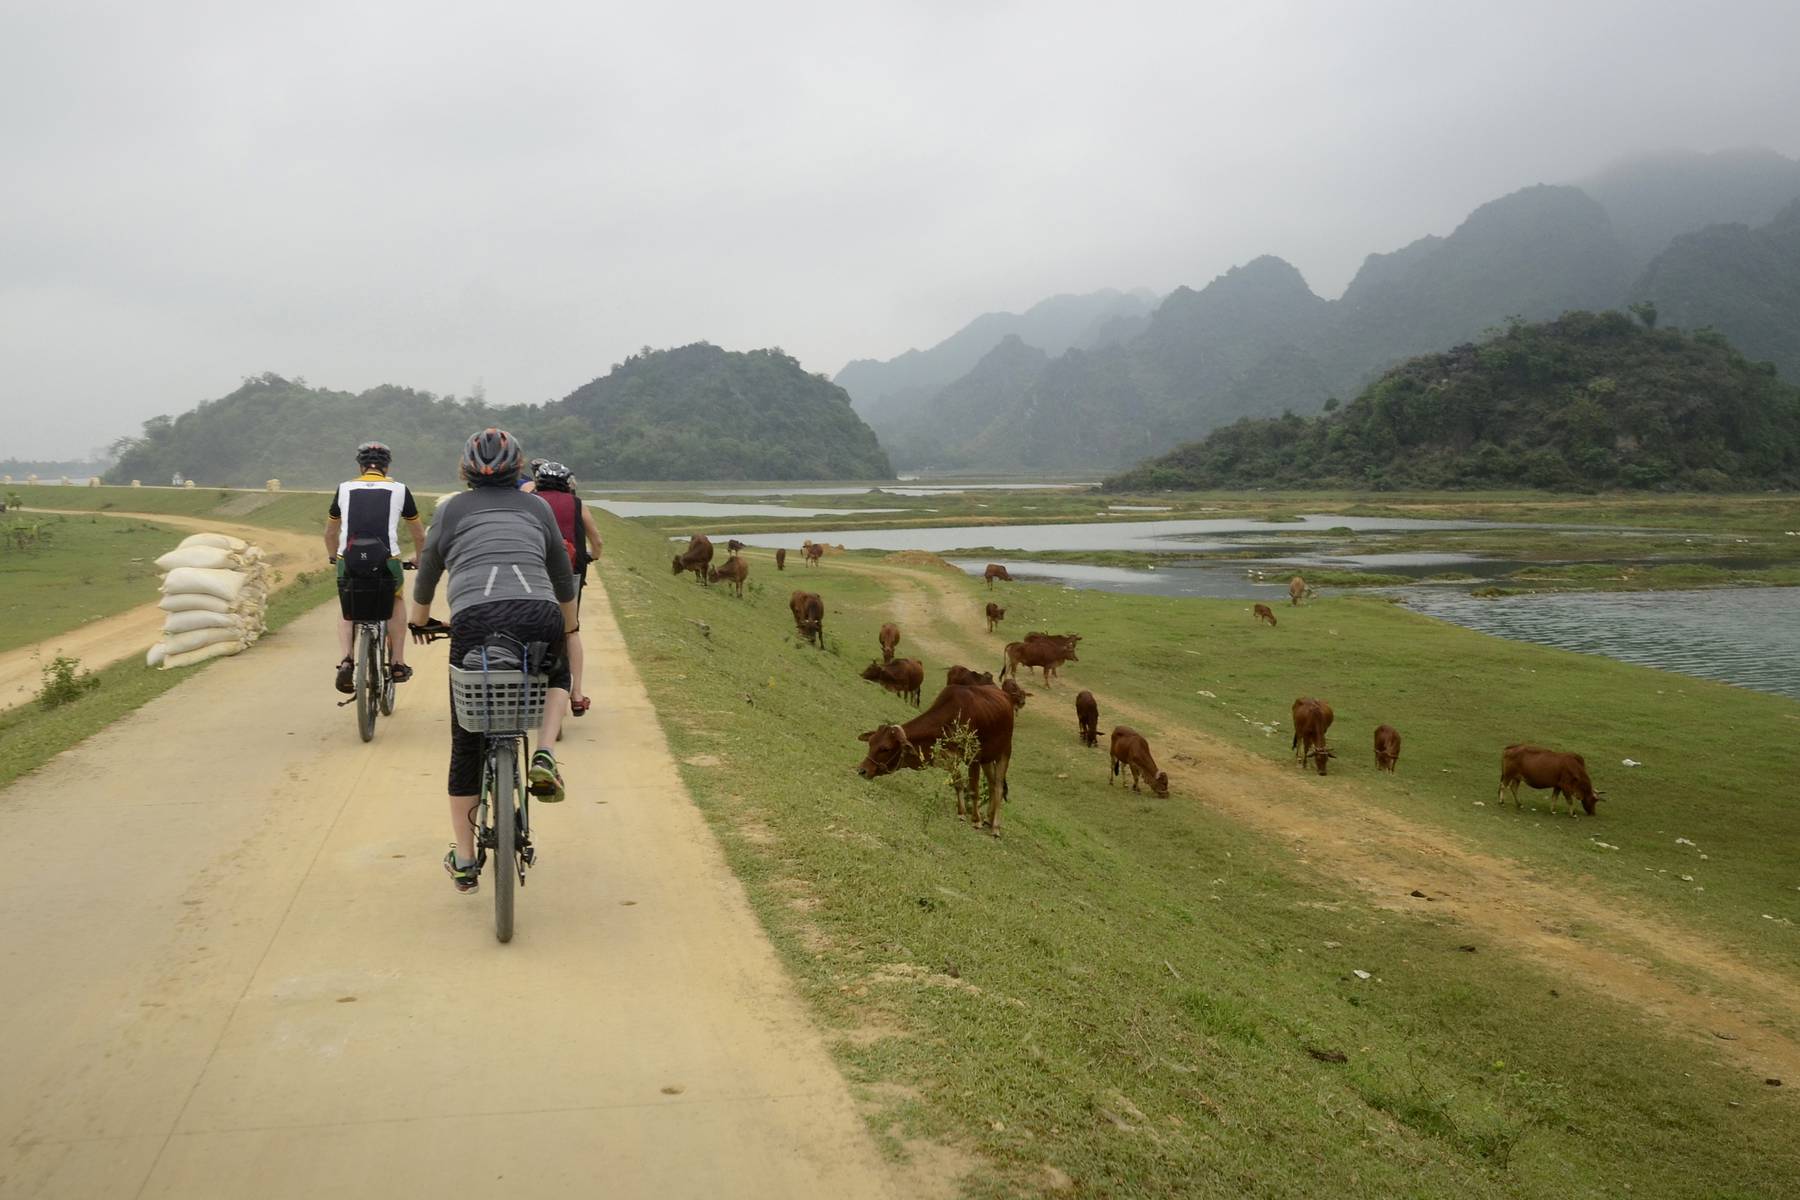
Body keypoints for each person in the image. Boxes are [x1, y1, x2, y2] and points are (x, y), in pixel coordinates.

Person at [410, 428, 578, 894]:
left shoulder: (450, 510)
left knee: (467, 740)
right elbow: (561, 576)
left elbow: (428, 569)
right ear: (517, 467)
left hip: (474, 619)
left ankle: (464, 860)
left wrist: (419, 620)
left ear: (466, 469)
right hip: (539, 610)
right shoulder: (539, 507)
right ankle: (544, 749)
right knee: (556, 671)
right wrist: (568, 626)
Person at [325, 441, 425, 693]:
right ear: (387, 466)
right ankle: (398, 662)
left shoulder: (344, 488)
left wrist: (331, 556)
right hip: (387, 559)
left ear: (360, 467)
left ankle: (347, 659)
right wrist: (420, 558)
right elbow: (419, 534)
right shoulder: (400, 489)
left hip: (348, 559)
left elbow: (330, 532)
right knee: (396, 600)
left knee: (348, 606)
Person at [530, 461, 605, 713]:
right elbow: (597, 540)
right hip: (569, 572)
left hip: (533, 573)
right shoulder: (577, 504)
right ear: (567, 484)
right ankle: (577, 693)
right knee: (571, 630)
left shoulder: (529, 500)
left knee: (529, 626)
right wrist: (593, 556)